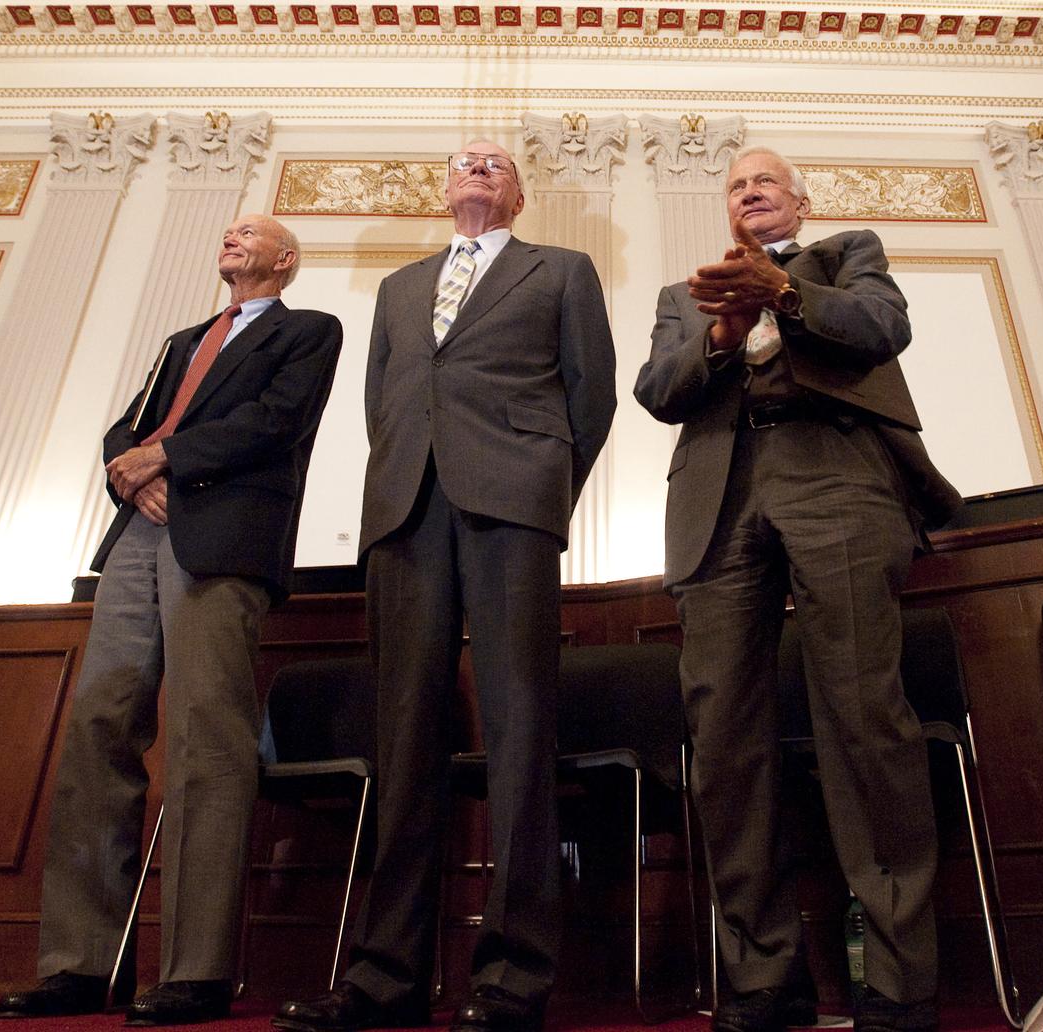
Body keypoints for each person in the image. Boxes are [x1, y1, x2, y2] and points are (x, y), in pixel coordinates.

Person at [275, 140, 616, 1032]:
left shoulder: (563, 270)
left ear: (520, 194)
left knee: (519, 731)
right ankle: (385, 978)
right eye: (465, 162)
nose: (479, 170)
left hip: (511, 507)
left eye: (497, 163)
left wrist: (542, 488)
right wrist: (396, 481)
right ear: (444, 189)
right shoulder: (398, 287)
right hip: (405, 513)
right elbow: (382, 401)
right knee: (404, 741)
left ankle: (512, 978)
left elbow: (594, 397)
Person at [635, 147, 962, 1032]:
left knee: (863, 714)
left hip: (836, 474)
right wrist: (717, 335)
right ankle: (762, 974)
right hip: (718, 491)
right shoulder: (685, 296)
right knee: (725, 732)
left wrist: (780, 296)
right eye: (736, 185)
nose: (749, 193)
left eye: (765, 182)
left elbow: (878, 328)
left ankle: (897, 979)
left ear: (799, 204)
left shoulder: (849, 254)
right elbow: (656, 392)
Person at [0, 214, 343, 1026]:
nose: (230, 235)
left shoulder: (307, 332)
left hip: (221, 543)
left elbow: (274, 423)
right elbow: (128, 427)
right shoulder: (184, 337)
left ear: (283, 260)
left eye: (250, 231)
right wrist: (134, 470)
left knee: (203, 739)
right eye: (226, 227)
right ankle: (81, 964)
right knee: (97, 730)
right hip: (136, 536)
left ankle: (197, 970)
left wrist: (168, 459)